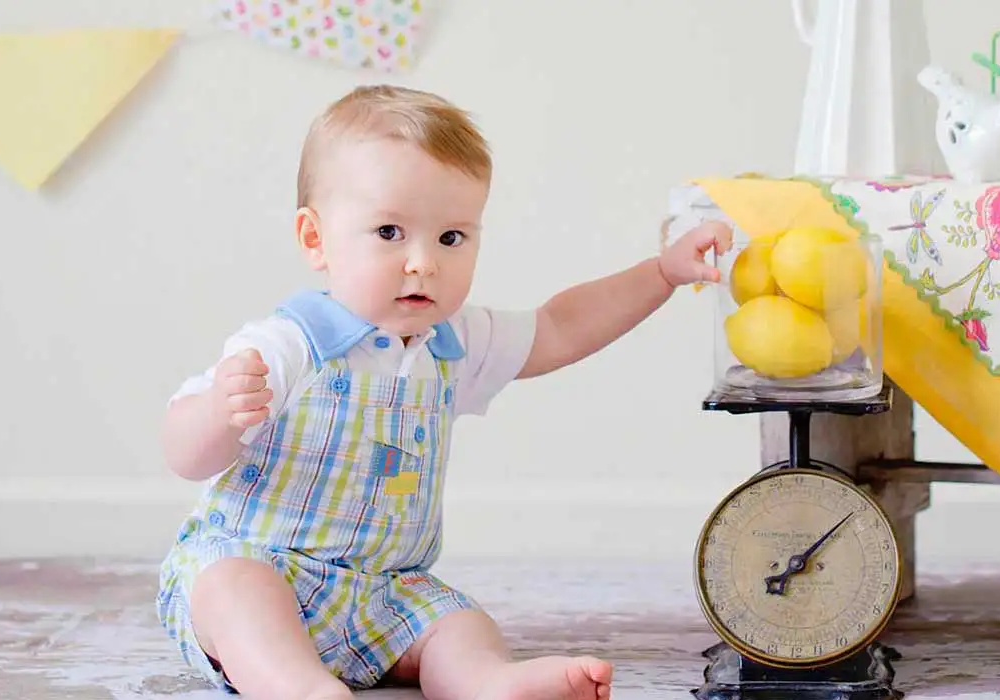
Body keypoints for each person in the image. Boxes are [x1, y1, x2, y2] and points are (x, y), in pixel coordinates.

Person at [154, 84, 731, 700]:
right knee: (236, 591)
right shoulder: (289, 343)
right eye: (389, 232)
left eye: (451, 238)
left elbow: (563, 326)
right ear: (315, 239)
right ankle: (299, 687)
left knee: (458, 623)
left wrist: (663, 272)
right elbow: (184, 454)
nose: (423, 262)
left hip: (381, 592)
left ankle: (486, 683)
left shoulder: (452, 342)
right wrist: (220, 411)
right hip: (263, 564)